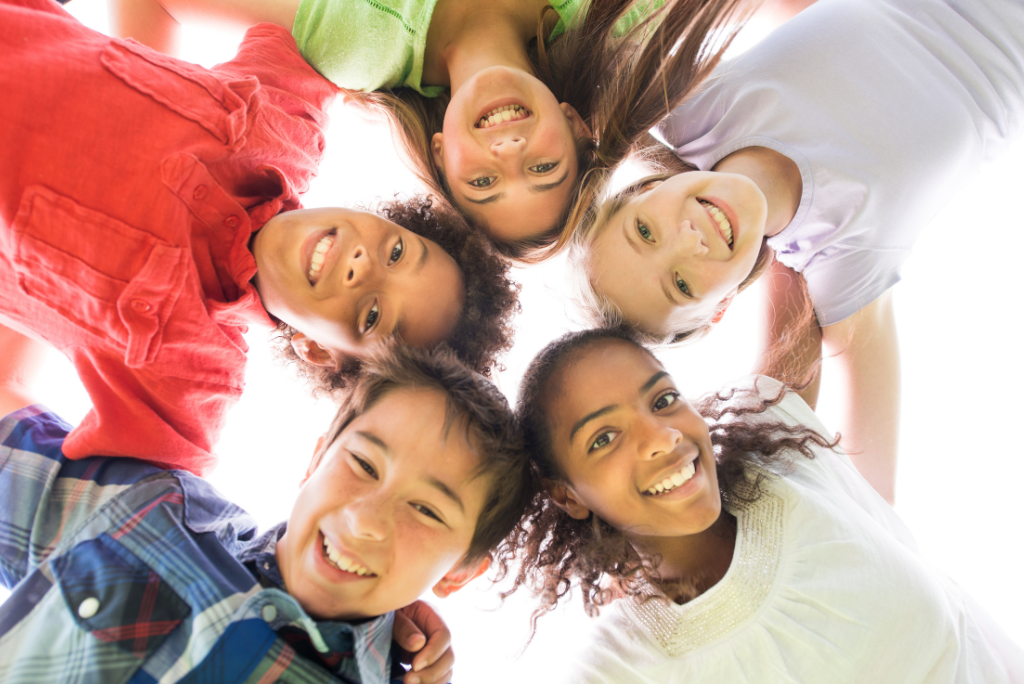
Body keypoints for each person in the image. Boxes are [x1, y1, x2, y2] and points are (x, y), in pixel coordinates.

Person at [0, 0, 518, 475]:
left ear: (316, 349)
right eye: (398, 251)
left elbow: (117, 504)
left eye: (372, 315)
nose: (363, 265)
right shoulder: (286, 120)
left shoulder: (191, 379)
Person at [570, 0, 1024, 502]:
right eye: (681, 283)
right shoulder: (843, 262)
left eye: (645, 231)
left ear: (642, 190)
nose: (690, 240)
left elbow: (572, 43)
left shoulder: (694, 112)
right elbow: (874, 501)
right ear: (720, 308)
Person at [0, 328, 532, 684]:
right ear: (316, 457)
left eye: (427, 511)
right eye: (364, 465)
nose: (364, 520)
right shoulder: (156, 508)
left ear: (460, 572)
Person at [507, 327, 1024, 682]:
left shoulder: (775, 444)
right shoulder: (623, 666)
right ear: (567, 494)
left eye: (663, 400)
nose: (661, 438)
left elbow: (789, 228)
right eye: (604, 438)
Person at [109, 0, 753, 259]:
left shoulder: (354, 46)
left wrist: (132, 135)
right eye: (541, 168)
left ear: (443, 154)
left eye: (482, 179)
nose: (507, 150)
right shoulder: (613, 19)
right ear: (577, 125)